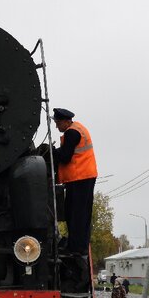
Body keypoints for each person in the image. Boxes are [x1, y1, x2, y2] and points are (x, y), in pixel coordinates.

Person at [50, 108, 97, 256]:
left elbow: (65, 156)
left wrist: (51, 153)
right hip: (82, 177)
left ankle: (75, 247)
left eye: (57, 123)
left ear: (65, 121)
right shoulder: (78, 129)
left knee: (76, 213)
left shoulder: (72, 133)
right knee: (79, 212)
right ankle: (78, 244)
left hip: (80, 178)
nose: (57, 126)